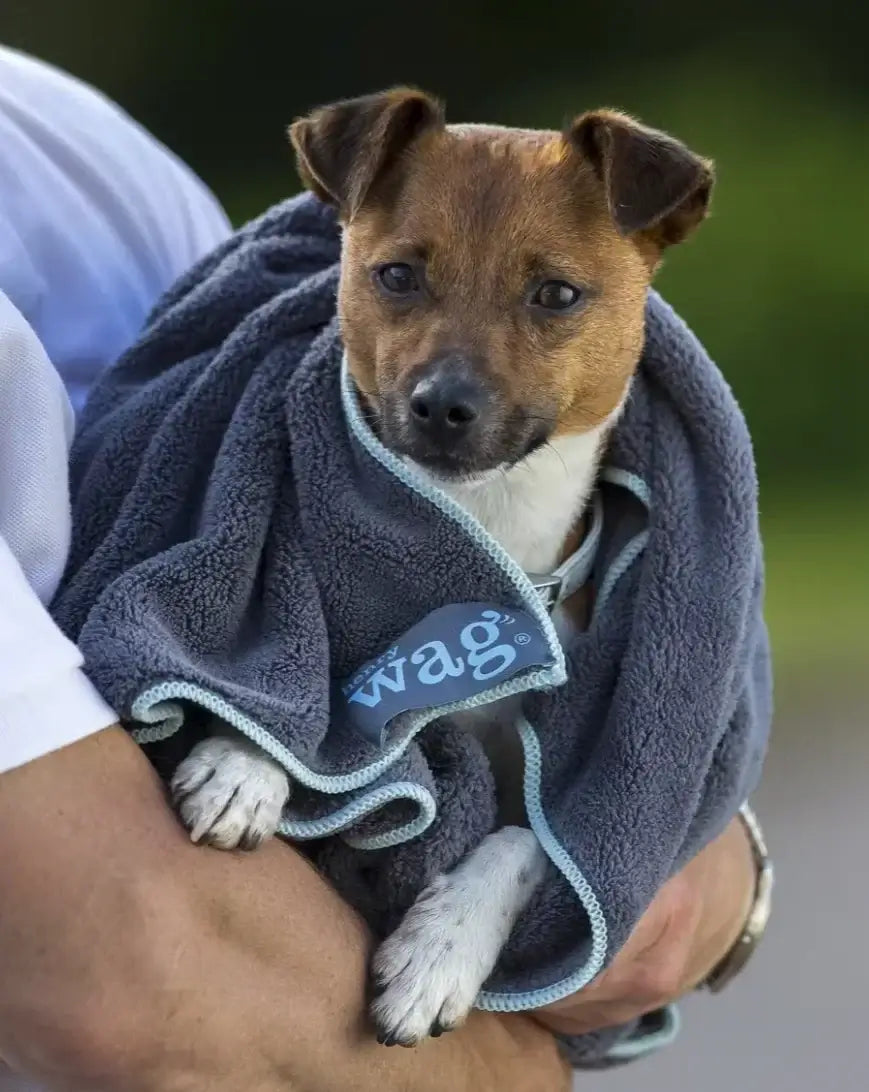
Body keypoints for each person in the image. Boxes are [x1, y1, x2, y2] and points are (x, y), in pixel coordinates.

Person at [0, 45, 763, 1091]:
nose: (454, 371)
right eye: (403, 281)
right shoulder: (284, 503)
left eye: (550, 299)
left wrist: (714, 858)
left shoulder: (74, 150)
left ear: (652, 243)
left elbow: (627, 776)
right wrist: (271, 739)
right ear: (344, 237)